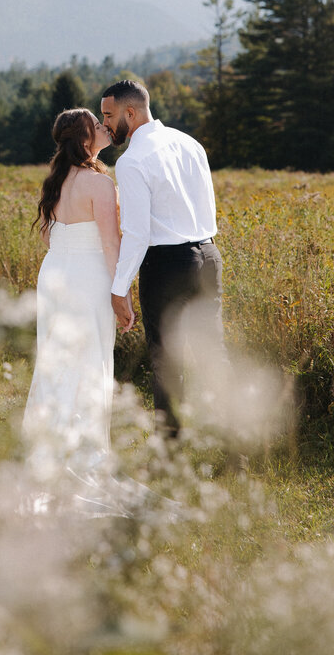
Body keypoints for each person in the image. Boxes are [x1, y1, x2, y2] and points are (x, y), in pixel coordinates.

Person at [100, 79, 225, 438]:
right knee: (214, 355)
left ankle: (169, 451)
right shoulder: (190, 143)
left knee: (167, 362)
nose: (104, 123)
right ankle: (239, 448)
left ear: (130, 112)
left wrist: (118, 289)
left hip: (167, 266)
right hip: (209, 256)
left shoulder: (132, 161)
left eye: (108, 115)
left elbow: (137, 233)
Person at [22, 108, 134, 483]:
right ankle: (82, 453)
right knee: (88, 358)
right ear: (86, 138)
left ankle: (52, 444)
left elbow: (49, 237)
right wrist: (122, 293)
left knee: (57, 357)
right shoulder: (99, 184)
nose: (104, 126)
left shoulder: (56, 179)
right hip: (88, 277)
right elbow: (111, 243)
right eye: (97, 124)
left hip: (54, 273)